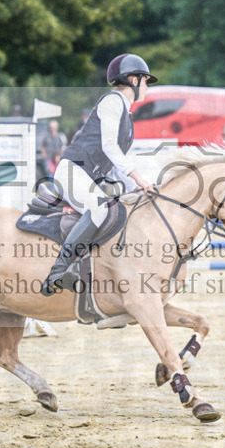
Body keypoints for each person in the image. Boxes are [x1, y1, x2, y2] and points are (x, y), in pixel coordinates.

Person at [41, 54, 157, 296]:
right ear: (133, 80)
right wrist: (139, 179)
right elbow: (109, 148)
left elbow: (116, 164)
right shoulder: (112, 102)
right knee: (99, 209)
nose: (146, 86)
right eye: (145, 80)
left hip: (88, 176)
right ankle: (57, 273)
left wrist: (135, 188)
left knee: (122, 210)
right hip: (73, 170)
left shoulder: (126, 116)